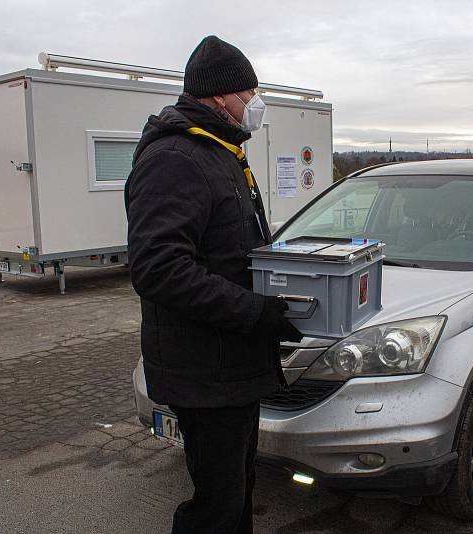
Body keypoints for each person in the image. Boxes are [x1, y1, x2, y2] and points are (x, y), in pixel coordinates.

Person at [124, 35, 303, 534]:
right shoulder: (176, 159)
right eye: (250, 93)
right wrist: (254, 312)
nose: (255, 104)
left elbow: (228, 251)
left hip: (231, 365)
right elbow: (158, 267)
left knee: (237, 491)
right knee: (216, 508)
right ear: (220, 95)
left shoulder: (219, 152)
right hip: (205, 371)